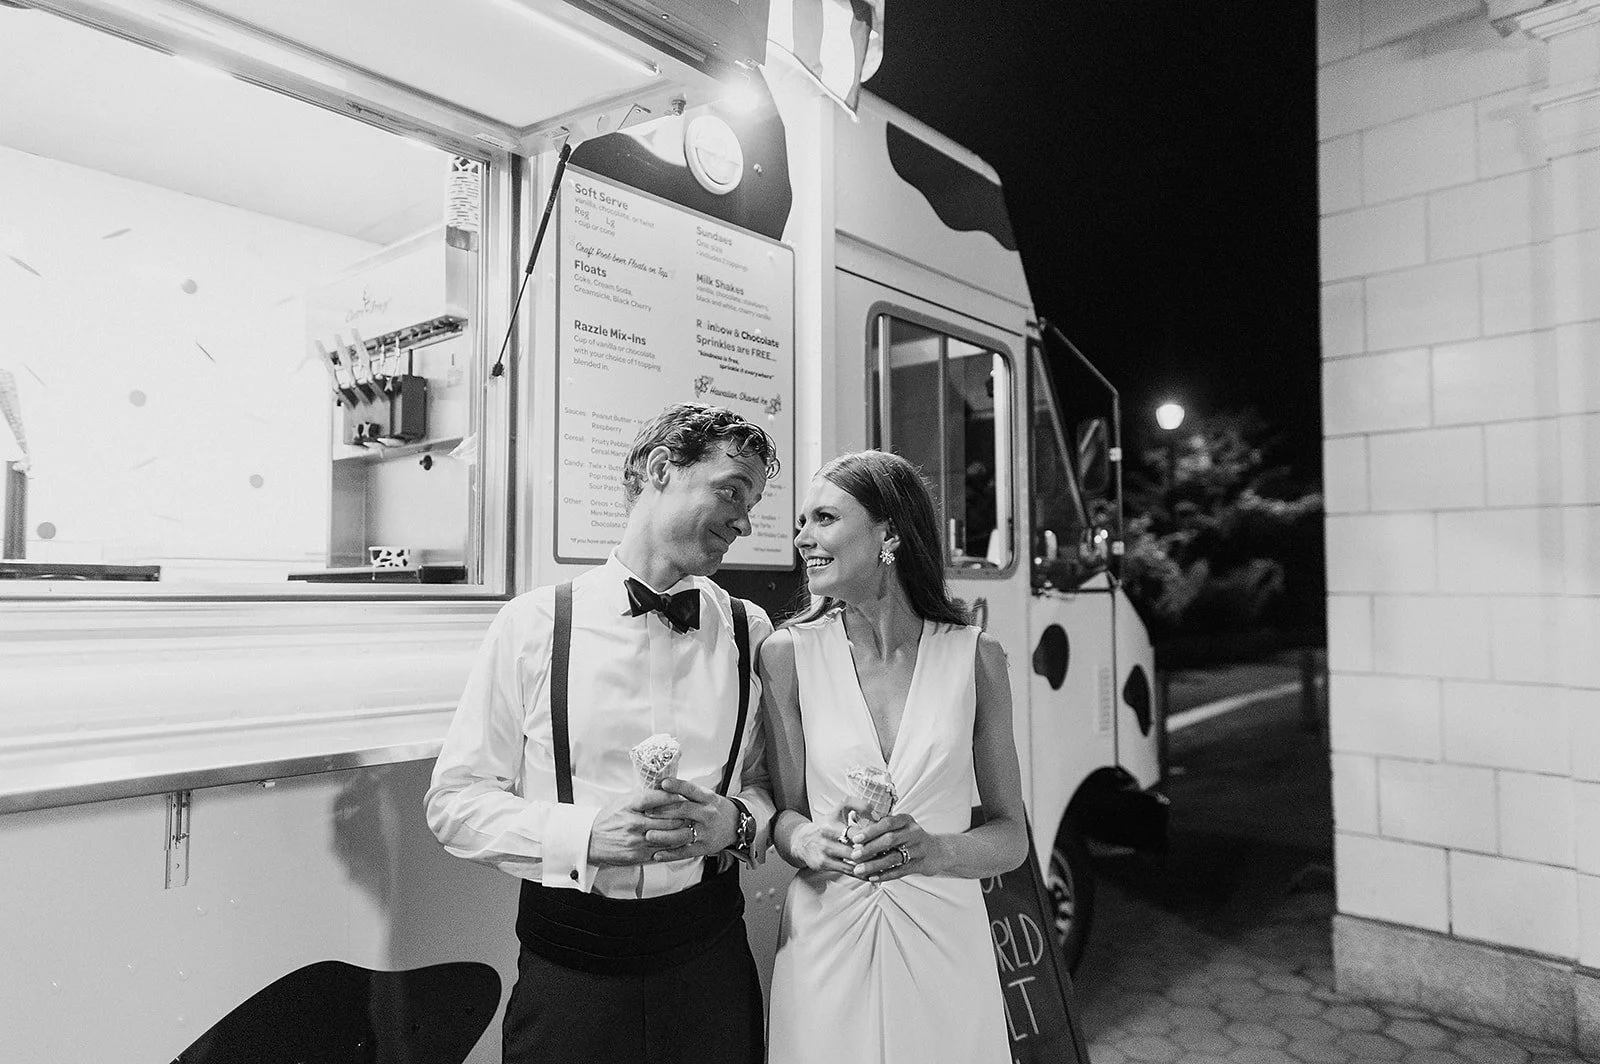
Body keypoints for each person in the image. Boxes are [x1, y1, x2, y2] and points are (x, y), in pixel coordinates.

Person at [426, 402, 780, 1064]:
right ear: (659, 469)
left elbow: (766, 784)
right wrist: (585, 837)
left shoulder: (749, 630)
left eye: (752, 501)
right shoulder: (532, 625)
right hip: (571, 972)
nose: (745, 521)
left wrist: (734, 824)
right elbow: (455, 804)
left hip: (710, 965)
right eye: (732, 491)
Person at [761, 449, 1029, 1064]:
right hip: (828, 936)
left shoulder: (977, 659)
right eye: (803, 522)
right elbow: (787, 815)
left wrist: (936, 850)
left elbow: (1010, 836)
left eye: (823, 519)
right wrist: (808, 841)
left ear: (889, 532)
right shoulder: (786, 657)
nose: (802, 539)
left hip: (945, 943)